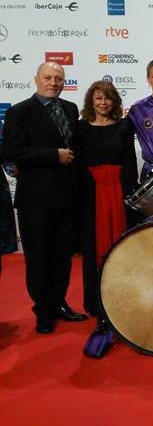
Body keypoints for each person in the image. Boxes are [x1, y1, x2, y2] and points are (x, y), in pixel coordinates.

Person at [1, 62, 85, 333]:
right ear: (36, 79)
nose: (53, 83)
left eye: (58, 79)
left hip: (67, 197)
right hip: (36, 200)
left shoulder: (71, 109)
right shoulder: (19, 112)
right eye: (48, 77)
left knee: (63, 257)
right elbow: (12, 151)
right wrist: (53, 155)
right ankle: (43, 311)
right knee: (39, 258)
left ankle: (60, 303)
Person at [76, 80, 137, 317]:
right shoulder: (80, 128)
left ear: (114, 101)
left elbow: (129, 162)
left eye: (108, 98)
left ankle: (121, 296)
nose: (103, 103)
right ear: (92, 100)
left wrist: (128, 194)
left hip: (117, 190)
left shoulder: (124, 125)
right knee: (92, 249)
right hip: (91, 194)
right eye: (99, 98)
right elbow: (79, 165)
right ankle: (94, 301)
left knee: (120, 246)